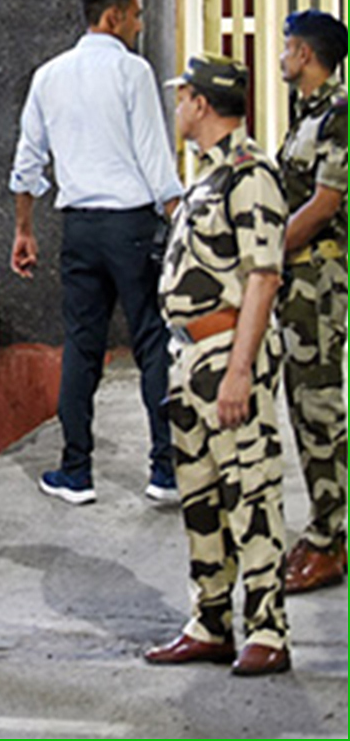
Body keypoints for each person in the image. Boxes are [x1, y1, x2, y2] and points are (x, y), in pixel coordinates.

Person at [9, 0, 182, 507]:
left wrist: (22, 229)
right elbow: (155, 158)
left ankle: (76, 471)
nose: (138, 24)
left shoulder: (48, 75)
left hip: (79, 229)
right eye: (134, 15)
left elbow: (27, 162)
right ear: (112, 18)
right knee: (152, 341)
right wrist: (180, 220)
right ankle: (165, 470)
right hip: (132, 226)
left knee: (82, 348)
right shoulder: (133, 72)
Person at [145, 55, 292, 677]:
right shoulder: (208, 176)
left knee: (250, 491)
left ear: (202, 104)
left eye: (183, 97)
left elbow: (263, 277)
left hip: (229, 352)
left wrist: (238, 370)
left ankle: (269, 629)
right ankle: (211, 621)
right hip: (189, 357)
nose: (177, 106)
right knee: (202, 496)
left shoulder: (249, 174)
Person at [275, 9, 348, 594]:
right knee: (303, 405)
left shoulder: (339, 114)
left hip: (317, 282)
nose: (280, 57)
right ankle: (325, 526)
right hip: (298, 282)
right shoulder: (310, 113)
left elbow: (324, 204)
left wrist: (263, 254)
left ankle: (335, 539)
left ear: (303, 53)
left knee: (320, 407)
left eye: (285, 47)